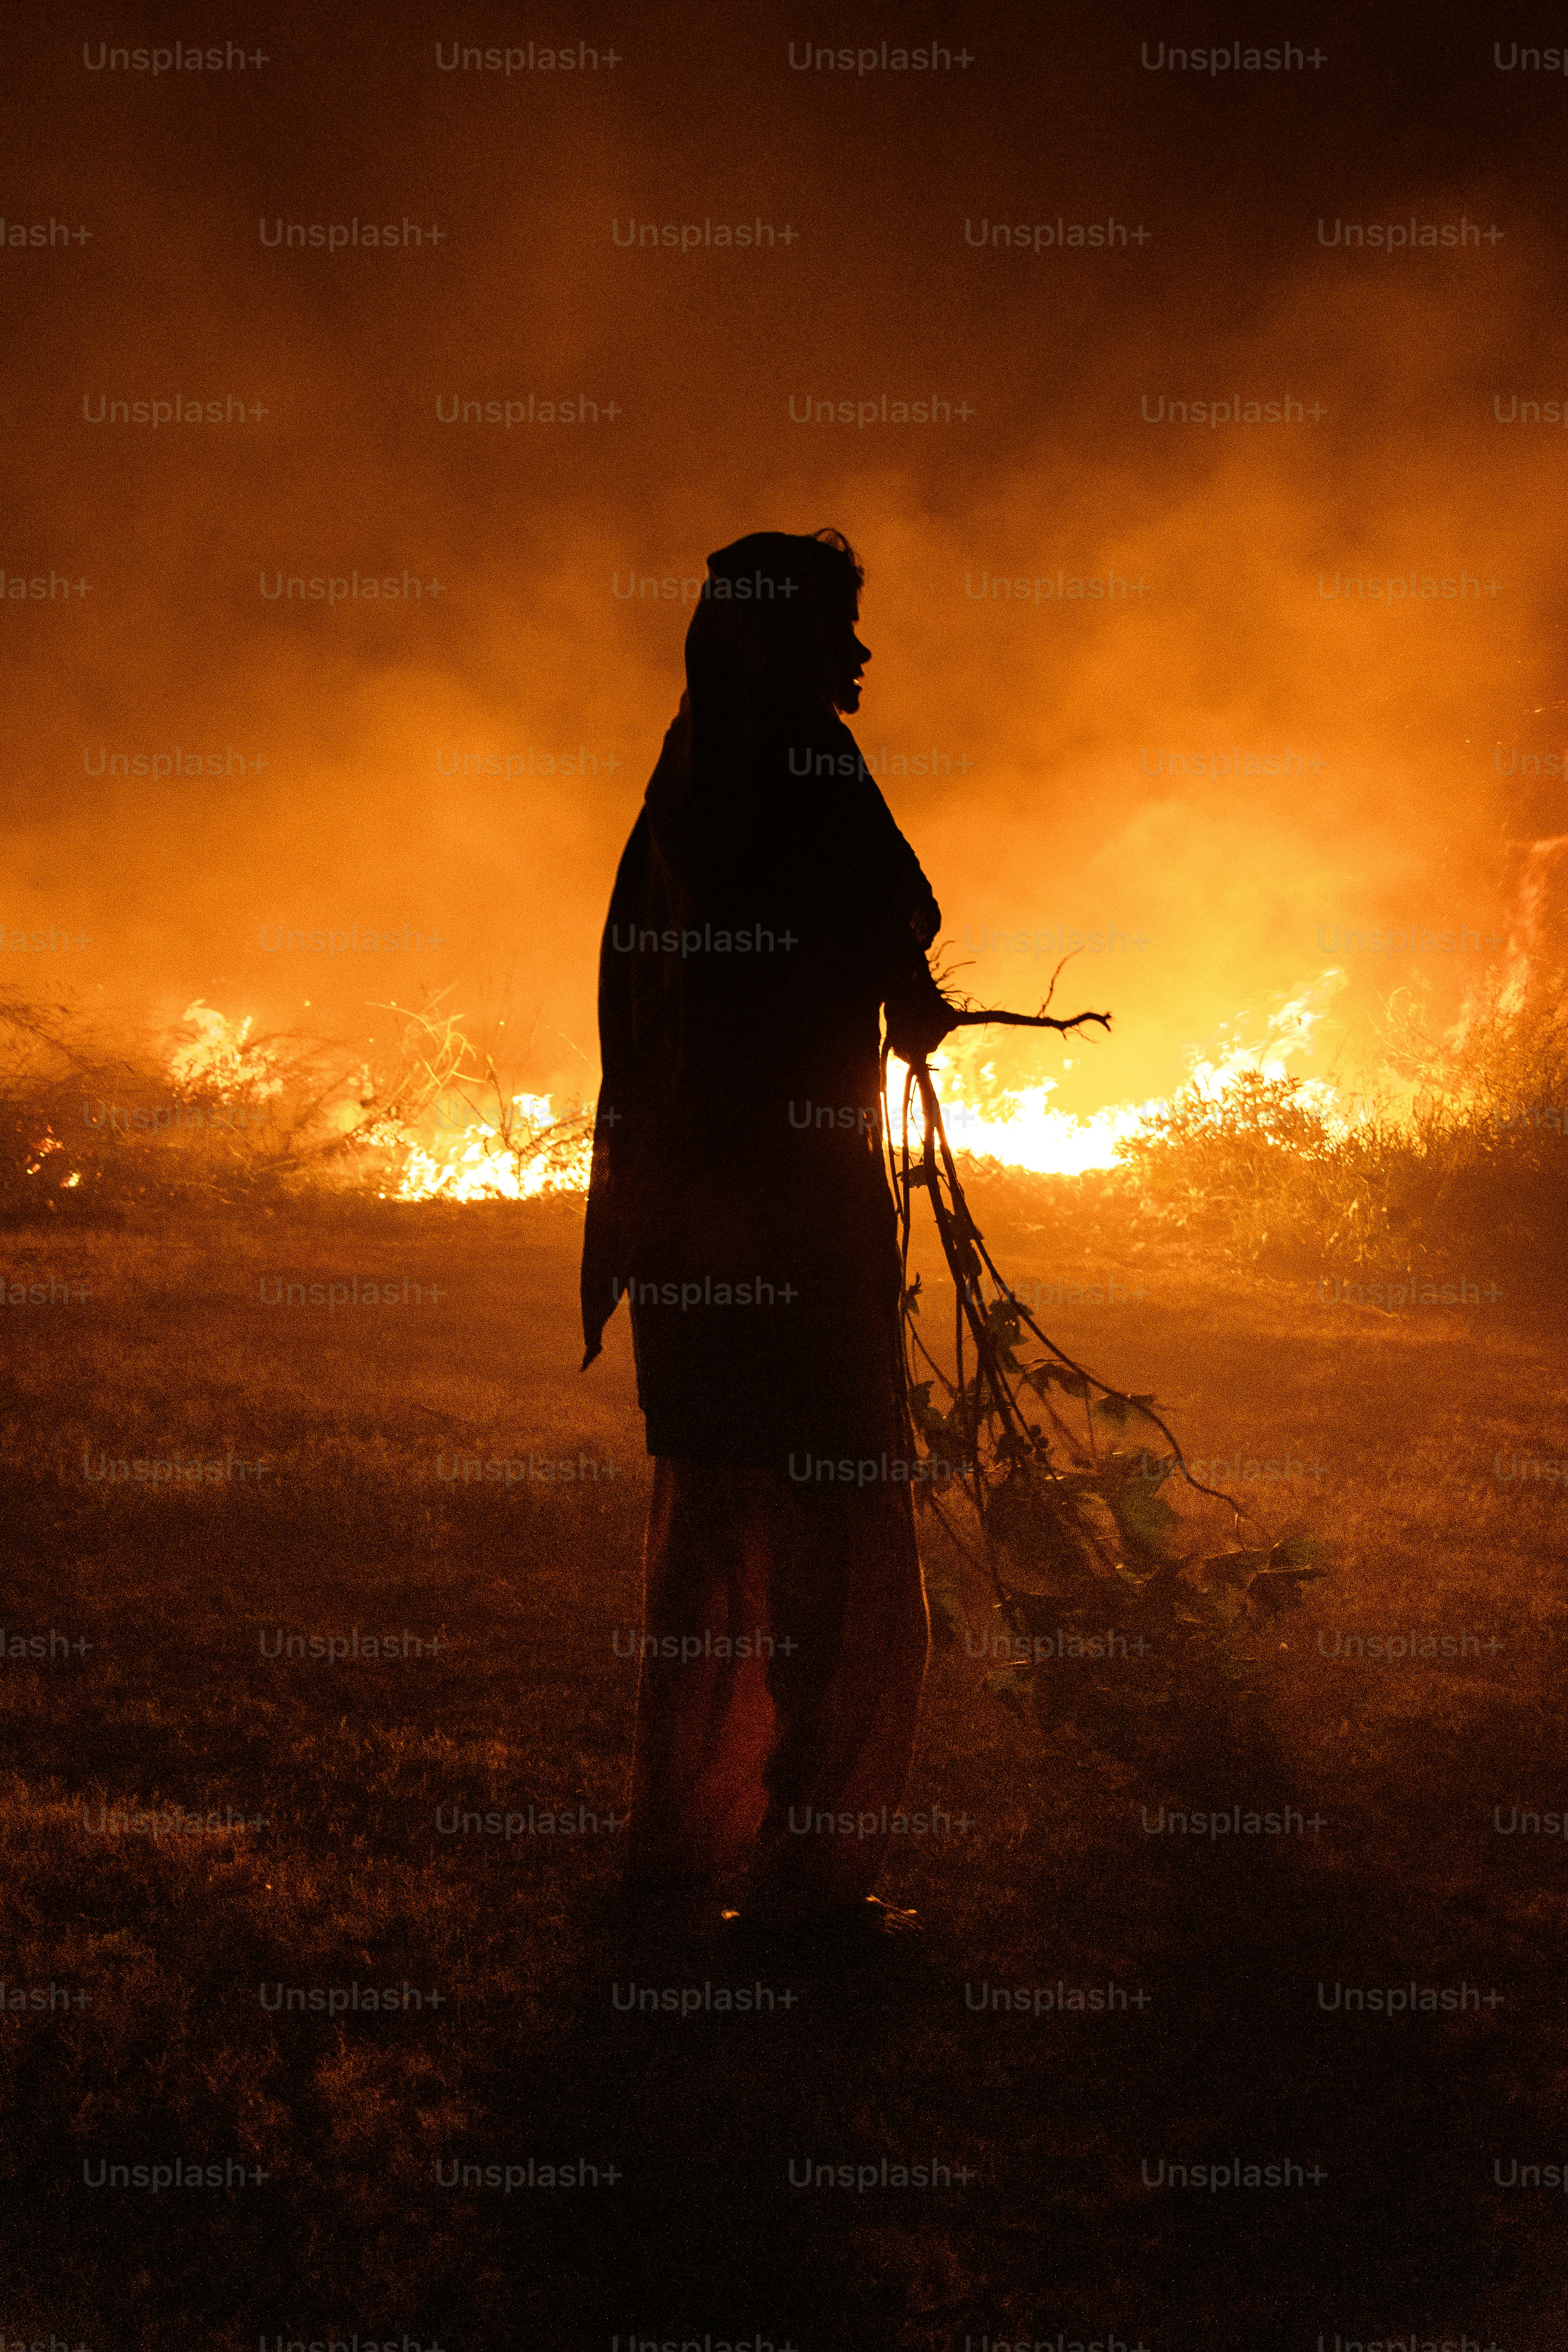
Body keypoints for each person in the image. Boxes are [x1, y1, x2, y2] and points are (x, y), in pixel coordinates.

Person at [581, 529, 958, 1947]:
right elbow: (889, 915)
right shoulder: (805, 761)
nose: (859, 656)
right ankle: (811, 1875)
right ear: (787, 642)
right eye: (837, 629)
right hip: (795, 1210)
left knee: (720, 1517)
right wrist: (905, 992)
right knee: (839, 1521)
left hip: (686, 1211)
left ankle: (683, 1844)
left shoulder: (685, 778)